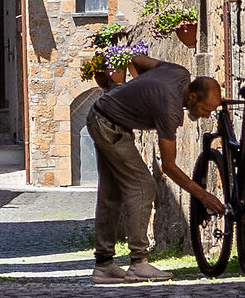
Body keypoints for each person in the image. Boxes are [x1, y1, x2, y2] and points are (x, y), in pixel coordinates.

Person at [86, 59, 224, 284]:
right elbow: (169, 166)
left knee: (111, 194)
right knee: (143, 186)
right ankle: (138, 262)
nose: (207, 115)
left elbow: (135, 58)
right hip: (109, 126)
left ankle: (104, 266)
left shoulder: (179, 71)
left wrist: (141, 91)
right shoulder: (169, 109)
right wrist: (204, 196)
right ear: (192, 97)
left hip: (102, 116)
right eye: (206, 109)